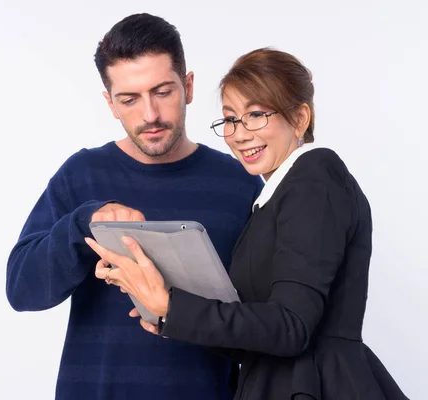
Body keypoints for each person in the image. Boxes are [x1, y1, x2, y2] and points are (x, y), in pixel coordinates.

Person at [86, 48, 409, 399]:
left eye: (255, 114)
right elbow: (260, 339)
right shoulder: (273, 199)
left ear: (300, 118)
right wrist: (169, 318)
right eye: (230, 119)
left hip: (317, 386)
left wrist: (173, 306)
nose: (239, 134)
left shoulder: (315, 176)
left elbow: (291, 328)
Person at [6, 13, 263, 400]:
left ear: (188, 86)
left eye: (163, 92)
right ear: (110, 103)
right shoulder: (82, 175)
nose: (150, 115)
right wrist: (82, 224)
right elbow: (21, 290)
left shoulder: (241, 183)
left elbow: (263, 322)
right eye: (129, 99)